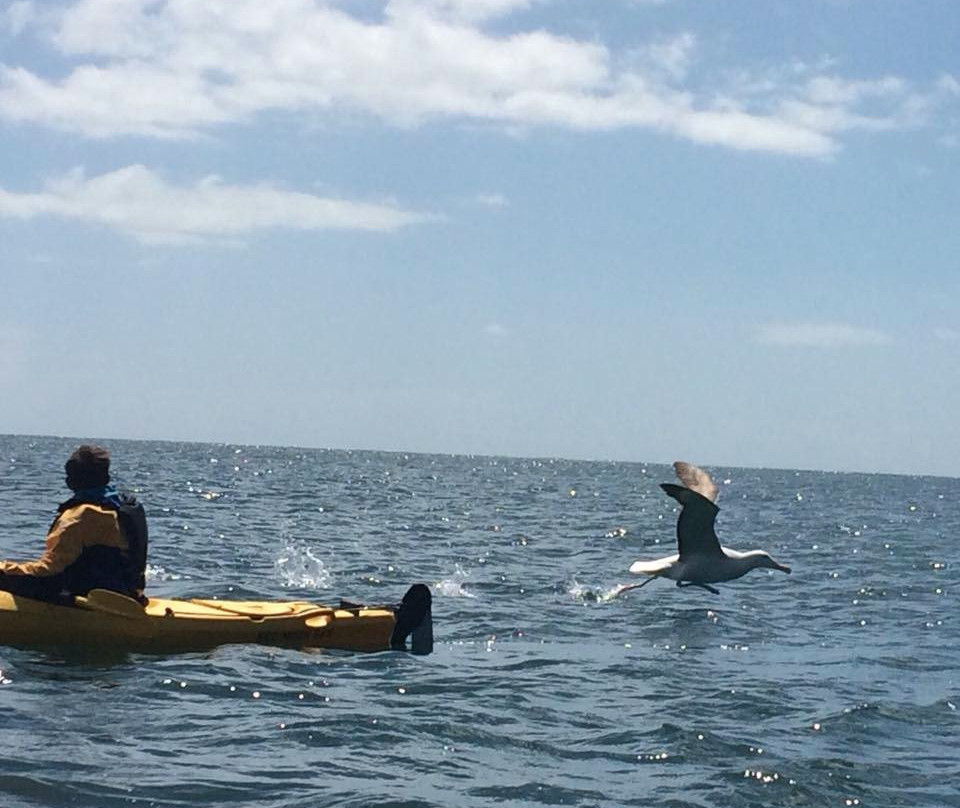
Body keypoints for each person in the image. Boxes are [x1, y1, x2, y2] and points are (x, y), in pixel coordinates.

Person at [0, 445, 148, 605]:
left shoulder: (80, 516)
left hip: (92, 598)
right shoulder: (123, 506)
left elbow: (50, 570)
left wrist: (5, 569)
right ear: (106, 477)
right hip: (127, 591)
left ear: (71, 481)